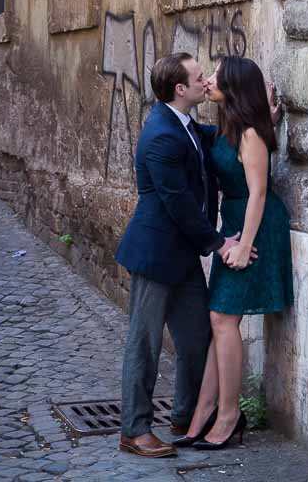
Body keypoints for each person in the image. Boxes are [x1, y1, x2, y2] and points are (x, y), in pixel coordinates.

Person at [115, 53, 255, 459]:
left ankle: (184, 415)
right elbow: (178, 203)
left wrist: (259, 121)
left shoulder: (185, 123)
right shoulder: (161, 134)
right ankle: (134, 429)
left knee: (197, 339)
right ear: (180, 89)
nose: (205, 81)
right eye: (199, 77)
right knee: (145, 344)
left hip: (182, 258)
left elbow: (215, 139)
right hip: (155, 255)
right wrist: (219, 243)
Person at [174, 55, 294, 451]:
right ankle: (205, 412)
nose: (207, 80)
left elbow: (259, 190)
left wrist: (244, 246)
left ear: (234, 87)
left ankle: (227, 415)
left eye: (215, 76)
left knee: (222, 318)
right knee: (220, 320)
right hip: (235, 224)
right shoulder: (233, 126)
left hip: (255, 227)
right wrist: (268, 123)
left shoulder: (250, 135)